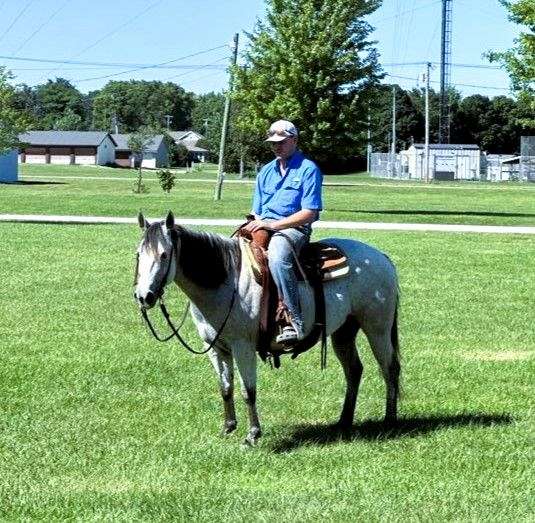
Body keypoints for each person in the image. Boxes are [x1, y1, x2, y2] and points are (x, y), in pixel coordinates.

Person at [244, 120, 323, 344]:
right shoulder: (265, 172)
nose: (276, 147)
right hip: (263, 224)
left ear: (294, 140)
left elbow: (310, 212)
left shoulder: (308, 169)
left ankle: (292, 319)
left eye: (281, 142)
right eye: (273, 143)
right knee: (235, 251)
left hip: (293, 229)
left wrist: (273, 226)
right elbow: (256, 210)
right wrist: (258, 224)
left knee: (278, 257)